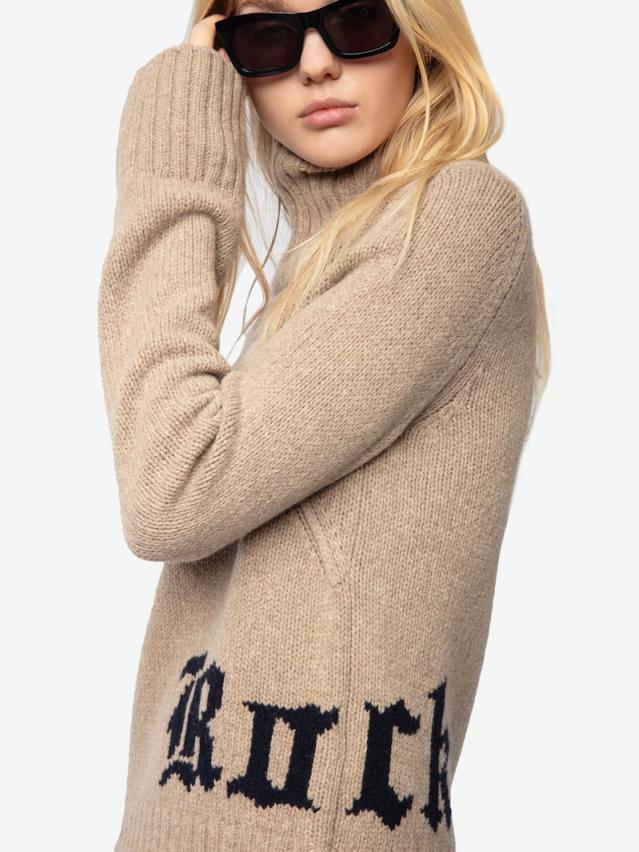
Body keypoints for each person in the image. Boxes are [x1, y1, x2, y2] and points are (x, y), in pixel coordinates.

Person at [97, 0, 550, 848]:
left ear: (422, 35)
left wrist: (172, 164)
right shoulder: (323, 271)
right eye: (267, 36)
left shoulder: (455, 216)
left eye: (356, 21)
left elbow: (170, 485)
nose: (315, 64)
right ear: (233, 64)